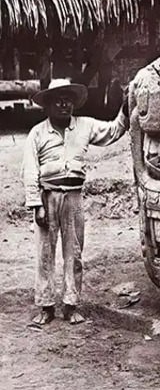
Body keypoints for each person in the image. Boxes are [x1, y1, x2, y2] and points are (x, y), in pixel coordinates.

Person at [22, 78, 130, 325]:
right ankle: (46, 307)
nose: (64, 105)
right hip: (47, 197)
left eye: (68, 100)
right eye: (58, 100)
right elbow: (29, 170)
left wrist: (125, 107)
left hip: (74, 198)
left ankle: (71, 305)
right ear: (48, 104)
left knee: (74, 252)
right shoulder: (37, 133)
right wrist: (36, 205)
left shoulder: (85, 126)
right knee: (44, 253)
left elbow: (113, 131)